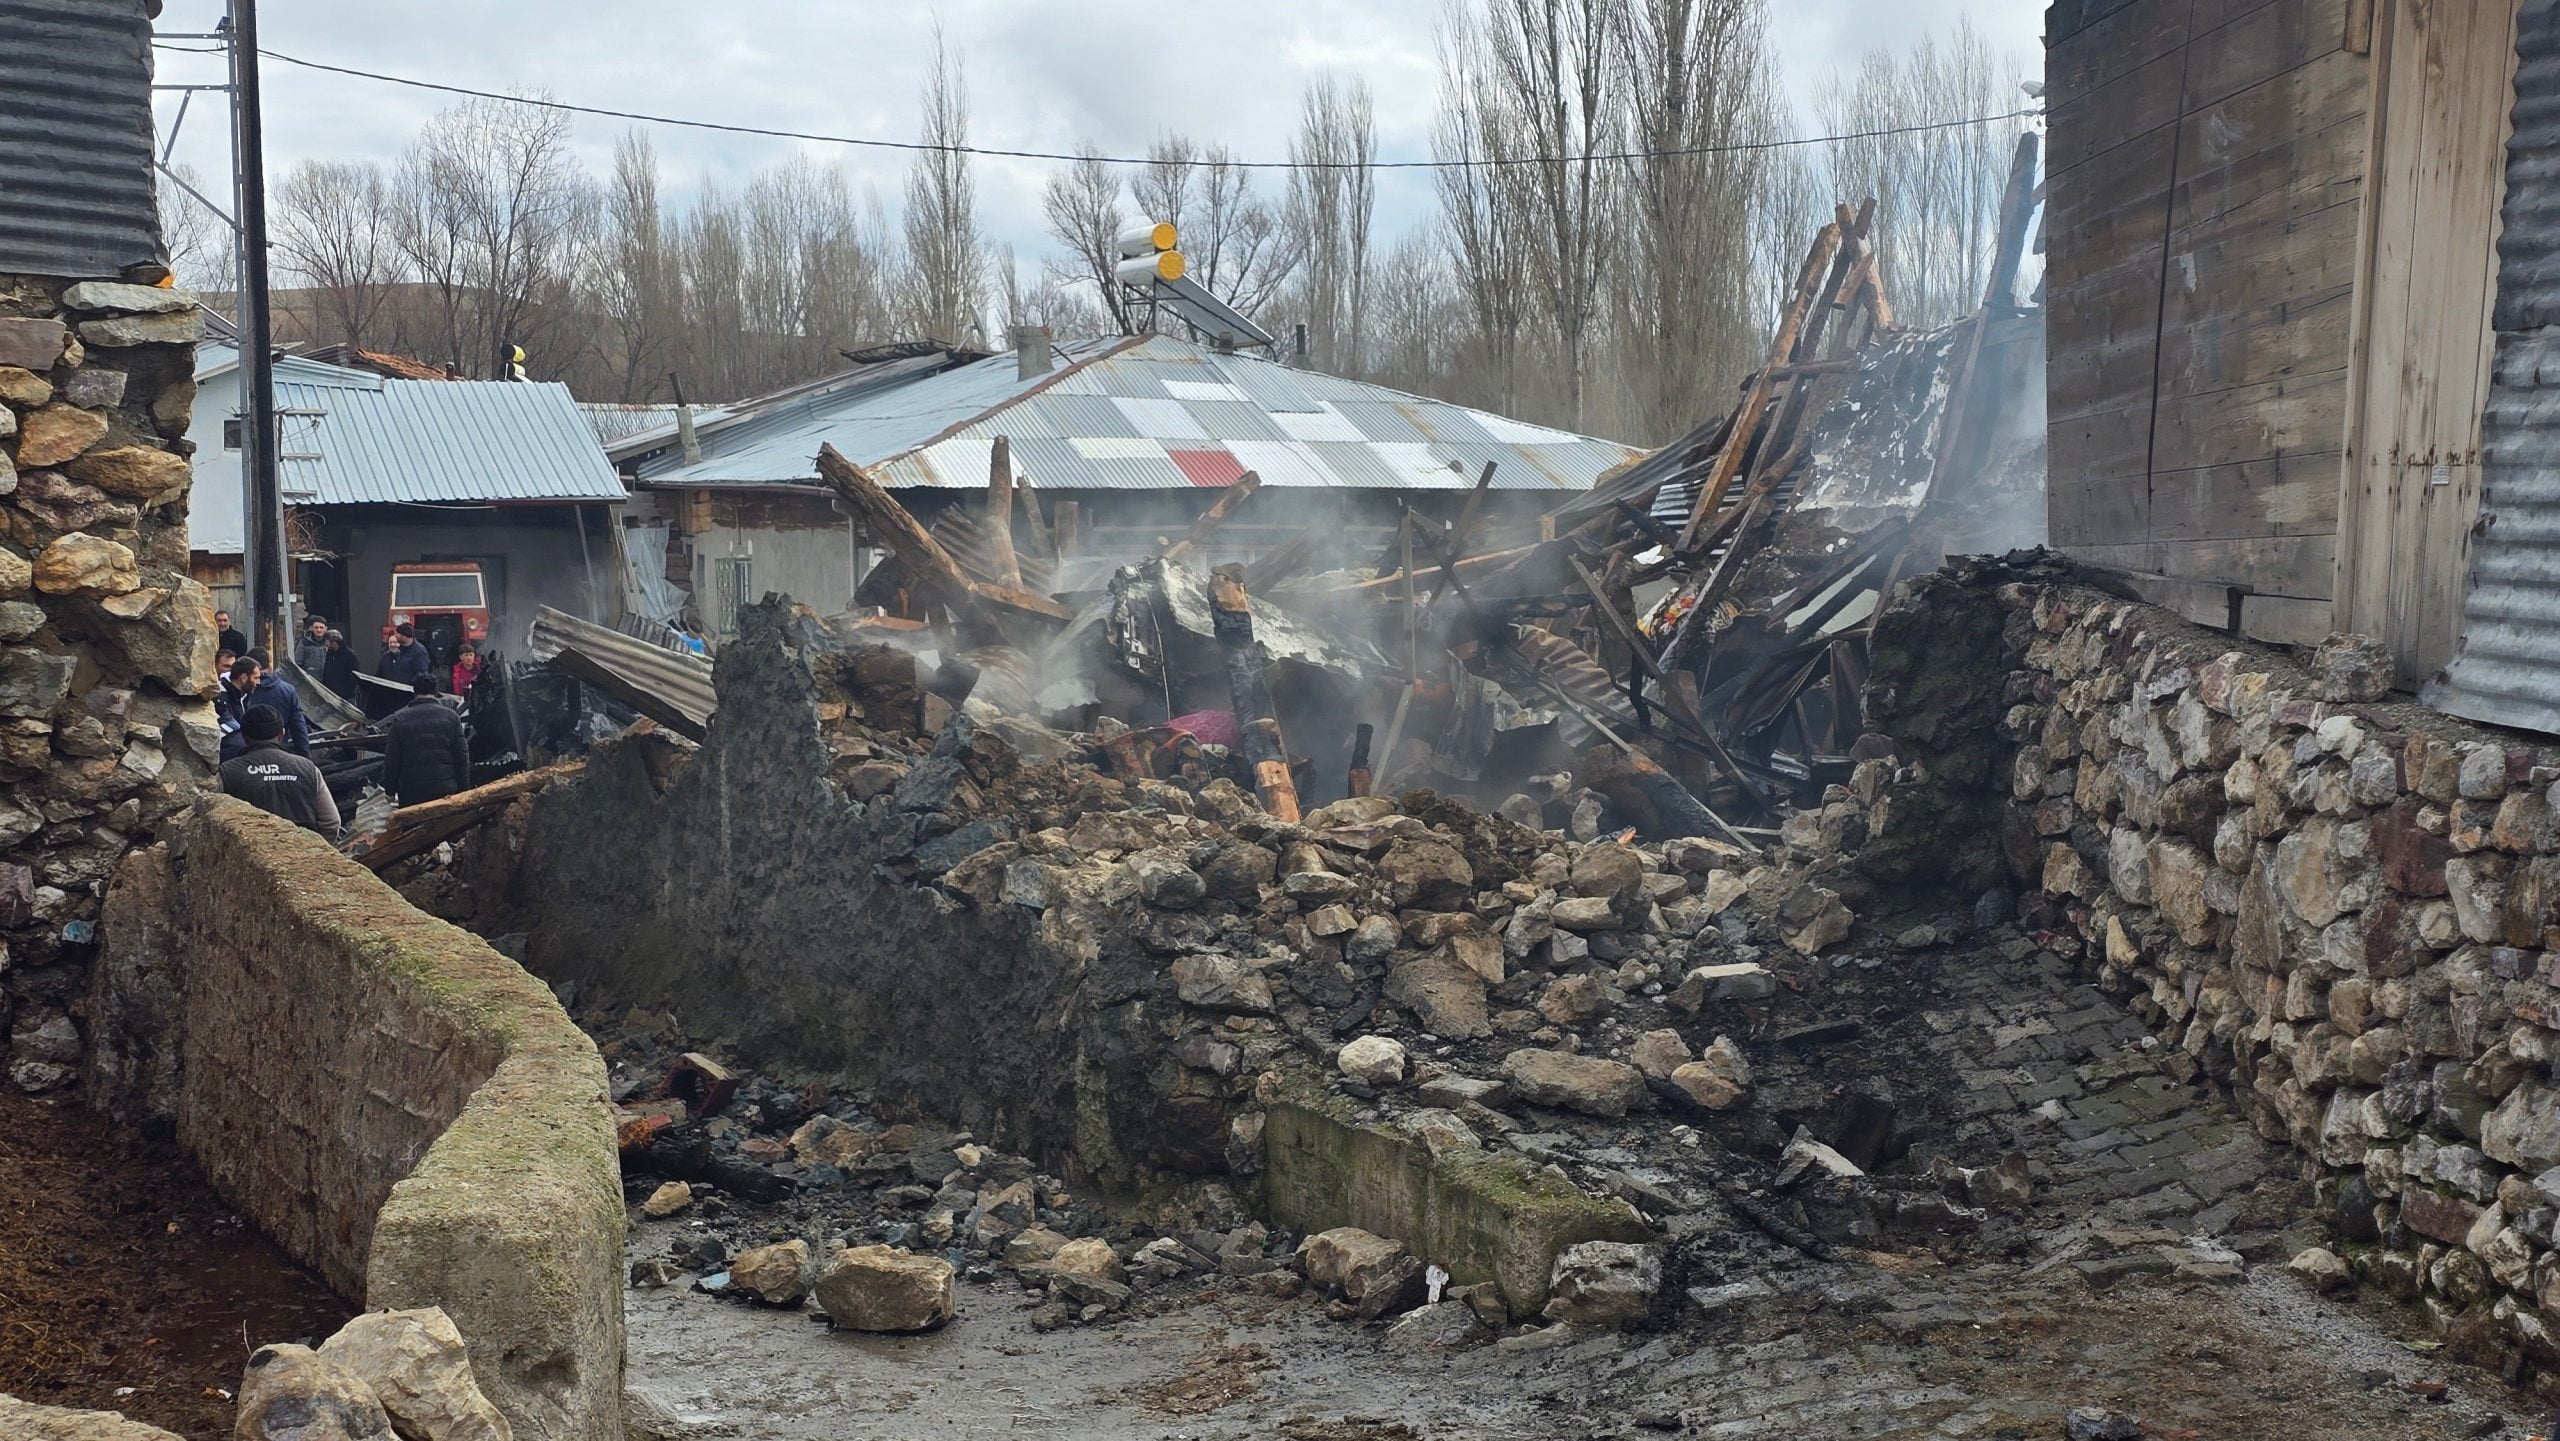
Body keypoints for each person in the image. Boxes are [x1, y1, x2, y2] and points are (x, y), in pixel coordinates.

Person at [219, 705, 340, 838]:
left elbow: (215, 819)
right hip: (303, 853)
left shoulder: (227, 773)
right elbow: (331, 822)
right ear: (281, 734)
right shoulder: (309, 769)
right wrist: (319, 851)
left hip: (248, 853)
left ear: (244, 736)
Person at [381, 673, 470, 806]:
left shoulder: (400, 719)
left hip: (411, 792)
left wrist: (390, 790)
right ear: (436, 691)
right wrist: (464, 790)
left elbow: (392, 760)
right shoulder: (451, 717)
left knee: (414, 827)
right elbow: (462, 757)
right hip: (445, 790)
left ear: (414, 691)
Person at [221, 655, 312, 759]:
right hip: (271, 754)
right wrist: (306, 758)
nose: (258, 683)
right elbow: (299, 728)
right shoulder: (227, 697)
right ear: (244, 678)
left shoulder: (243, 696)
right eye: (256, 678)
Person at [378, 623, 432, 688]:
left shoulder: (419, 652)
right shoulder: (398, 649)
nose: (395, 635)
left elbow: (421, 675)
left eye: (398, 634)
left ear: (404, 636)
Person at [320, 629, 359, 698]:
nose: (325, 644)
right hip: (330, 695)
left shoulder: (350, 655)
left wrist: (345, 692)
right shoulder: (329, 654)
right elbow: (326, 673)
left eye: (326, 641)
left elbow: (354, 677)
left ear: (333, 642)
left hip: (346, 697)